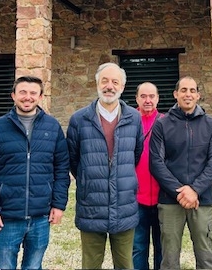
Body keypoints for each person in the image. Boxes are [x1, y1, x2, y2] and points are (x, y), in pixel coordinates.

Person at [0, 75, 71, 270]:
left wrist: (58, 204)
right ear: (13, 95)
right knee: (5, 265)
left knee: (34, 266)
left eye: (33, 93)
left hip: (41, 216)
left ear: (41, 96)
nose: (28, 97)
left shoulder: (52, 127)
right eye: (23, 92)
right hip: (7, 215)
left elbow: (62, 168)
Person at [66, 62, 144, 270]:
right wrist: (90, 179)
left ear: (122, 87)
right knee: (90, 265)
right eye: (105, 81)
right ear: (97, 84)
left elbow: (135, 154)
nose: (110, 86)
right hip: (91, 204)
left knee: (125, 264)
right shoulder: (79, 119)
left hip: (124, 204)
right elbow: (74, 160)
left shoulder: (134, 118)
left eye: (115, 82)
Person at [149, 76, 212, 270]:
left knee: (205, 257)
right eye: (183, 90)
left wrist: (195, 190)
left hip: (201, 199)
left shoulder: (210, 125)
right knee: (169, 258)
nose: (188, 94)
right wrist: (180, 192)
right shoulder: (162, 124)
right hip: (170, 199)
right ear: (176, 94)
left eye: (192, 90)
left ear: (198, 95)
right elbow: (156, 162)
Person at [133, 82, 163, 270]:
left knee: (163, 248)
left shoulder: (166, 122)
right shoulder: (128, 121)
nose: (148, 100)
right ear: (136, 98)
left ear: (158, 98)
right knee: (138, 247)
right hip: (135, 197)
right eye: (143, 96)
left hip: (162, 197)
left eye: (151, 96)